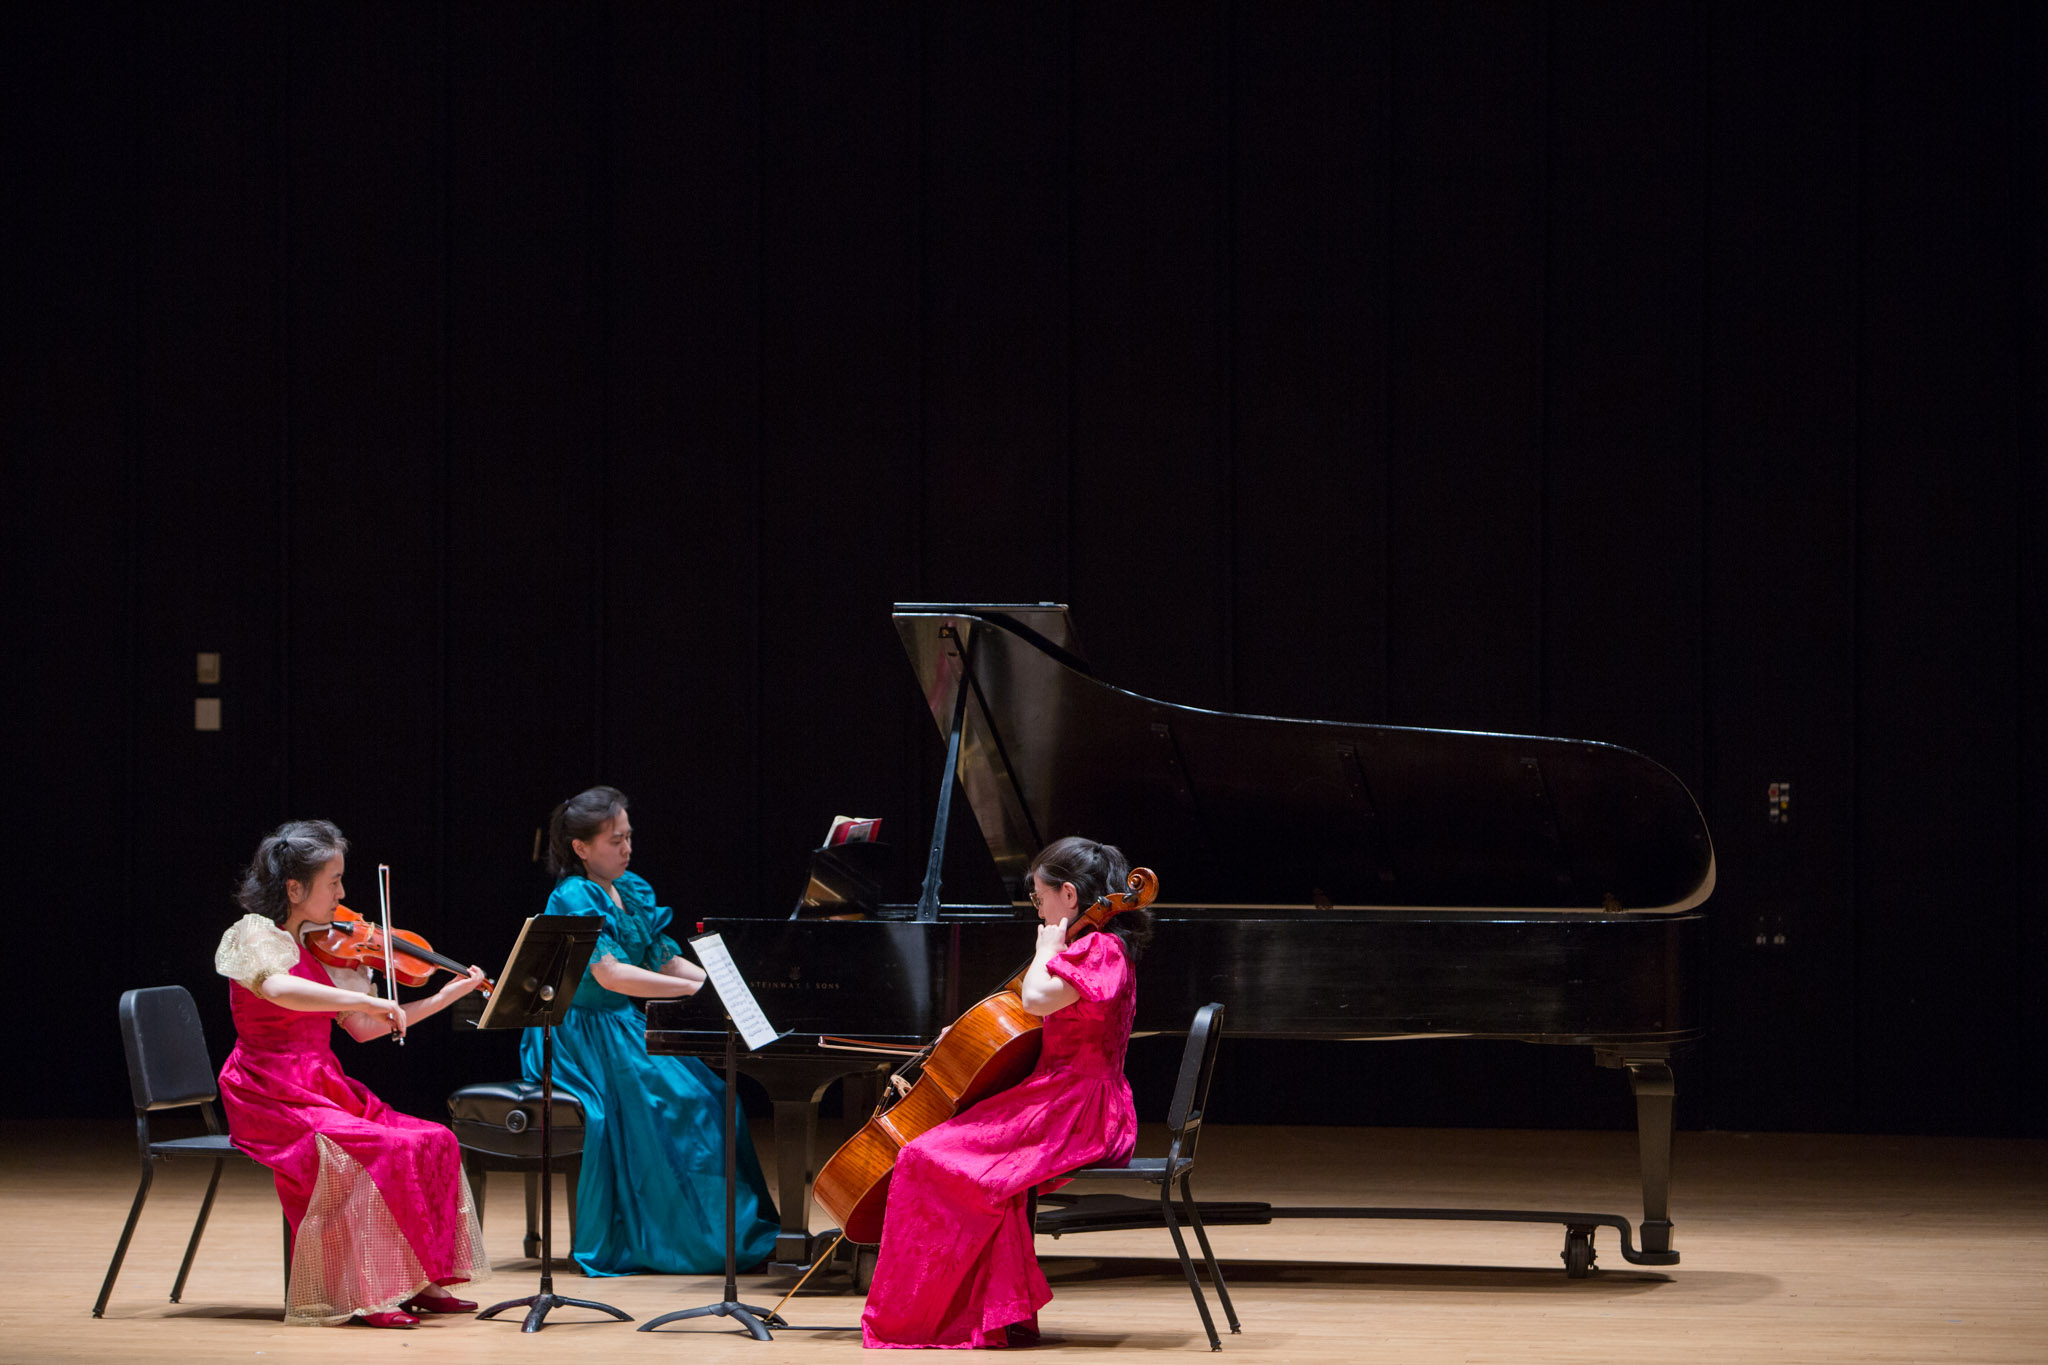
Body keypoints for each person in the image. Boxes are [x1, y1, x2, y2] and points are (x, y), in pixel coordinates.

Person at [861, 835, 1151, 1350]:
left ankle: (938, 1317)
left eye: (1039, 900)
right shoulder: (1089, 947)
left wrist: (1045, 950)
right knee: (945, 1161)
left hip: (1079, 1108)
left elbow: (1039, 1000)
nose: (1038, 912)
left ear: (1067, 894)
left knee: (926, 1159)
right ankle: (991, 1314)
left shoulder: (1099, 949)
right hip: (1056, 1095)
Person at [212, 820, 491, 1328]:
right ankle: (370, 1291)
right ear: (294, 888)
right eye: (333, 882)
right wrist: (362, 993)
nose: (343, 895)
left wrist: (443, 996)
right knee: (375, 1148)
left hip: (321, 1083)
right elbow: (277, 990)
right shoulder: (254, 935)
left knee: (432, 1139)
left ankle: (420, 1279)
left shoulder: (320, 944)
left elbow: (363, 1028)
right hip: (267, 1091)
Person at [520, 785, 779, 1275]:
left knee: (714, 1096)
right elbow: (609, 973)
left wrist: (720, 984)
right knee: (682, 1102)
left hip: (618, 1024)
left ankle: (730, 1229)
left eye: (628, 837)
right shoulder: (573, 895)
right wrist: (688, 993)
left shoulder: (631, 888)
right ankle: (688, 1238)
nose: (627, 848)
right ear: (581, 848)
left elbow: (661, 954)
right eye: (615, 840)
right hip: (580, 1033)